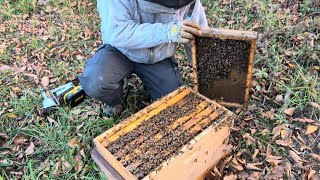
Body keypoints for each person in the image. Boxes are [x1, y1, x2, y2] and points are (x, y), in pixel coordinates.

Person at [78, 0, 209, 117]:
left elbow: (197, 36)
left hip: (158, 57)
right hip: (120, 52)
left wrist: (207, 75)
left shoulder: (189, 3)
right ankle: (116, 97)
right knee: (96, 81)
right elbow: (116, 32)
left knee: (173, 104)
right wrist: (166, 32)